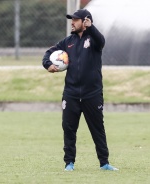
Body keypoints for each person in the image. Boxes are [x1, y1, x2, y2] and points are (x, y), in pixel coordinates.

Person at [42, 9, 119, 171]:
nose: (72, 22)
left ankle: (104, 163)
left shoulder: (94, 40)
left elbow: (102, 41)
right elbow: (49, 52)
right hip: (71, 94)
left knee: (98, 129)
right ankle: (69, 163)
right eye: (72, 19)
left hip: (92, 93)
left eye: (76, 20)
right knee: (68, 128)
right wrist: (48, 65)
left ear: (85, 22)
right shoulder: (67, 42)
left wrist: (92, 28)